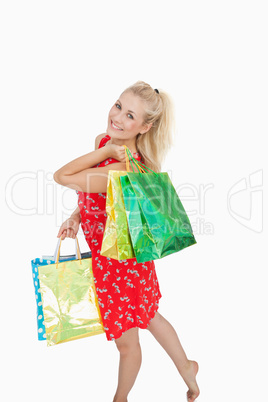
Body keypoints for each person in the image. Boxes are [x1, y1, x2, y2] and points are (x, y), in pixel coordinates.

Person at [54, 81, 200, 402]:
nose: (117, 117)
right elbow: (92, 196)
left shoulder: (120, 167)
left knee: (127, 343)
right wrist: (76, 217)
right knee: (149, 315)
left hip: (121, 266)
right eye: (118, 105)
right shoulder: (104, 142)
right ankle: (187, 368)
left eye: (130, 115)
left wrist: (104, 153)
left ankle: (120, 400)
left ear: (145, 127)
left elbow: (62, 176)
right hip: (118, 258)